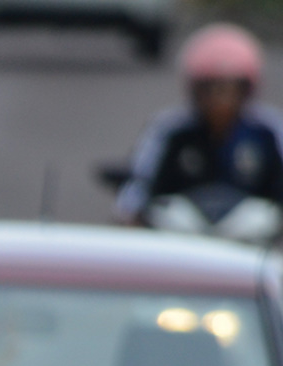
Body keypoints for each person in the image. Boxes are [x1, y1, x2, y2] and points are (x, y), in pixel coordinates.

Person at [115, 23, 283, 228]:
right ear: (195, 88)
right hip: (183, 230)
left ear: (247, 89)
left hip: (250, 231)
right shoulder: (170, 128)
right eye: (211, 88)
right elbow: (142, 178)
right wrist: (130, 212)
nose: (221, 99)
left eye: (231, 89)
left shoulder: (267, 129)